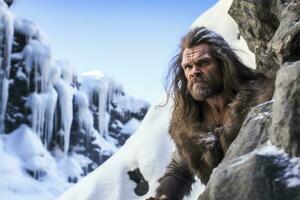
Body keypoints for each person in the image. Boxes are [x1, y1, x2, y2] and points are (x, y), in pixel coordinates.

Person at [147, 27, 274, 200]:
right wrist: (165, 195)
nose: (194, 72)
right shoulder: (189, 122)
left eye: (203, 63)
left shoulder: (261, 98)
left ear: (223, 64)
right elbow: (180, 168)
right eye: (188, 67)